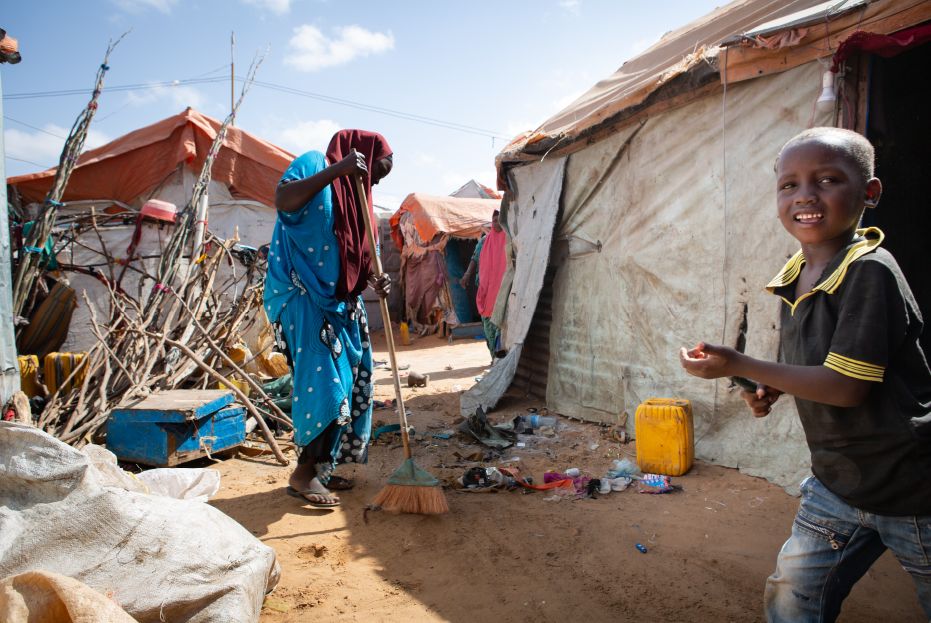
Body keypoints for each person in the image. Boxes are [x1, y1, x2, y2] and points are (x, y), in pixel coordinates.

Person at [679, 127, 930, 622]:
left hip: (910, 488)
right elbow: (819, 364)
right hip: (838, 483)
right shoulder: (798, 271)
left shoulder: (869, 271)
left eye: (828, 179)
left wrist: (741, 363)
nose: (806, 195)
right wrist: (764, 385)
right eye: (789, 185)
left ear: (869, 193)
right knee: (793, 598)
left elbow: (848, 386)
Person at [265, 130, 393, 508]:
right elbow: (283, 200)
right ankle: (302, 475)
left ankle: (322, 466)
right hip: (302, 293)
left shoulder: (360, 198)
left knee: (354, 385)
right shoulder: (313, 164)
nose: (373, 182)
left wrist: (376, 281)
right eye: (375, 172)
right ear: (360, 156)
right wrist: (336, 170)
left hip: (341, 301)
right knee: (327, 384)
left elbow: (356, 256)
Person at [460, 209, 506, 362]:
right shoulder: (484, 241)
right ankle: (493, 356)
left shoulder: (509, 240)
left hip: (503, 292)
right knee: (488, 329)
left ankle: (499, 359)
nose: (497, 223)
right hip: (486, 292)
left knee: (502, 327)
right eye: (494, 221)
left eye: (500, 220)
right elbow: (474, 258)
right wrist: (467, 274)